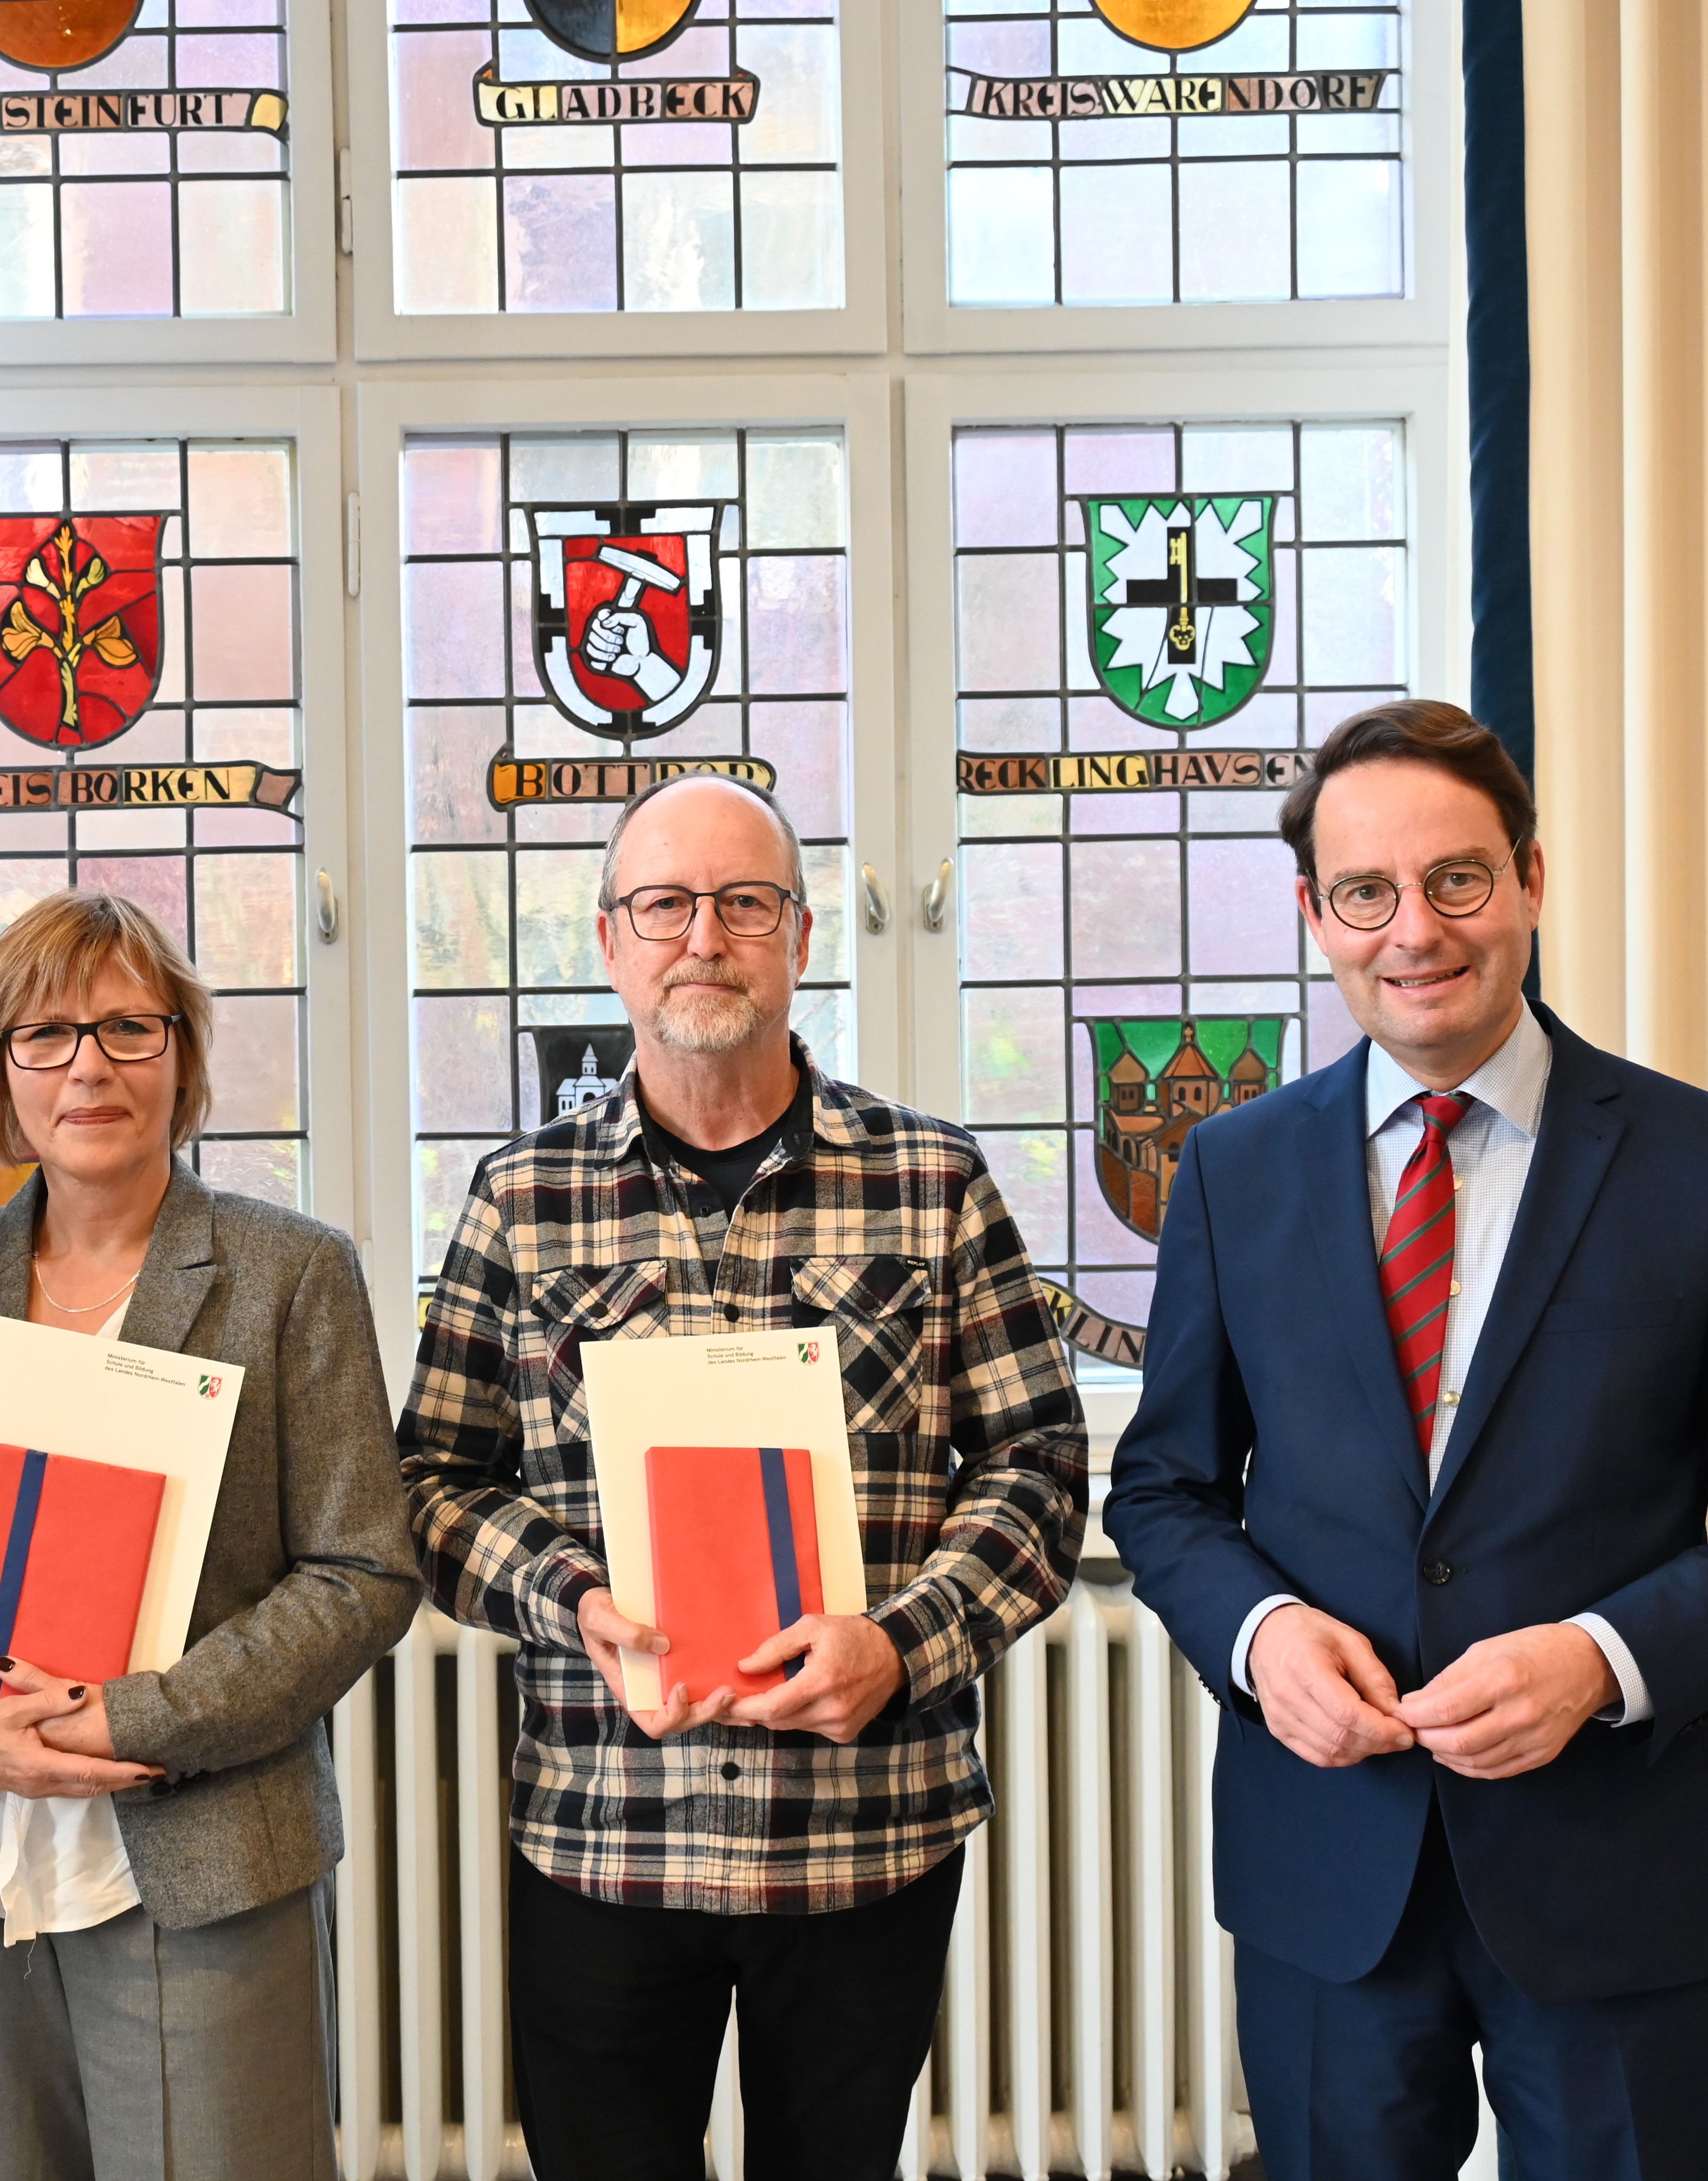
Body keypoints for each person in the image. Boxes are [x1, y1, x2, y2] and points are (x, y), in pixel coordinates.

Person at [1104, 700, 1708, 2178]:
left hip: (1613, 1891)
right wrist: (1263, 1637)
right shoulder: (1230, 1169)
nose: (1414, 930)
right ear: (1312, 914)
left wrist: (1600, 1658)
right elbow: (1163, 1491)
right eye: (1365, 893)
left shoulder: (1706, 1165)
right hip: (1325, 1881)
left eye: (1455, 879)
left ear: (1528, 877)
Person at [399, 773, 1085, 2181]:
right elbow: (432, 1485)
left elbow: (1036, 1470)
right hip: (603, 1831)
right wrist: (568, 1595)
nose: (701, 936)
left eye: (742, 904)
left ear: (799, 932)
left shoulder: (932, 1182)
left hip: (861, 1831)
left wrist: (900, 1646)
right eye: (664, 904)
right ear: (609, 941)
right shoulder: (516, 1200)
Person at [0, 887, 417, 2181]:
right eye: (45, 1034)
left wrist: (139, 1716)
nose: (88, 1063)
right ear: (0, 1074)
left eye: (130, 1028)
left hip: (199, 1859)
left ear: (184, 1058)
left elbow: (363, 1566)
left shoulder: (287, 1271)